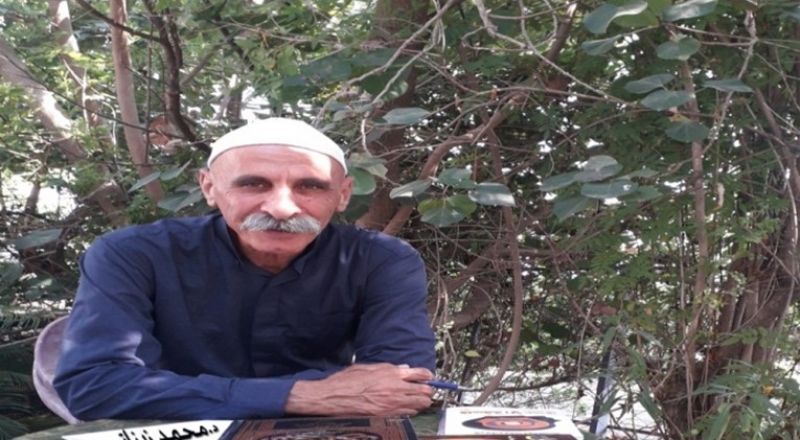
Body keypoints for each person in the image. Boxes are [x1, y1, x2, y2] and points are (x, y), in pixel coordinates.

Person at [54, 118, 436, 420]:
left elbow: (402, 385)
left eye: (310, 187)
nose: (282, 209)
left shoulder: (381, 261)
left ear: (343, 195)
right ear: (209, 187)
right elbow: (93, 386)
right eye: (254, 184)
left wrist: (190, 393)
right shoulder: (133, 255)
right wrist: (304, 395)